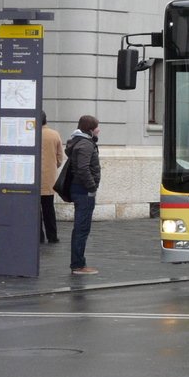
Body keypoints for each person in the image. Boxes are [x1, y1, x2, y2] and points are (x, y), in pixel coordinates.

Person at [66, 115, 101, 274]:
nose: (99, 130)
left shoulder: (78, 141)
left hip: (78, 189)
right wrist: (92, 187)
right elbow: (83, 169)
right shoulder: (86, 145)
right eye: (97, 127)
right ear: (90, 129)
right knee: (82, 229)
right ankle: (78, 265)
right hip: (83, 191)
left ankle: (78, 263)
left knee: (79, 228)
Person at [39, 111, 63, 243]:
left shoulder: (32, 134)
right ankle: (52, 236)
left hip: (33, 178)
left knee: (35, 210)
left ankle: (39, 236)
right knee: (49, 208)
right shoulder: (54, 134)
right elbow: (60, 157)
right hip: (49, 177)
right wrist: (53, 166)